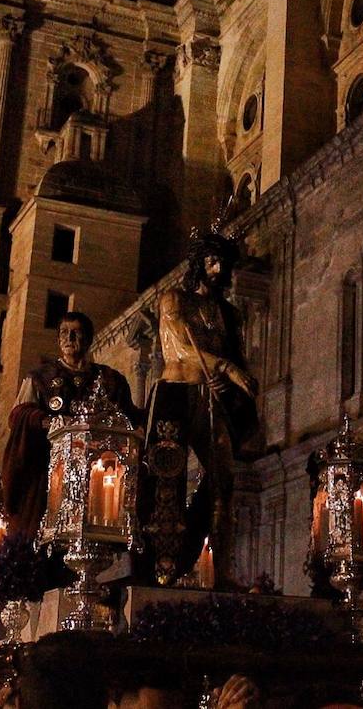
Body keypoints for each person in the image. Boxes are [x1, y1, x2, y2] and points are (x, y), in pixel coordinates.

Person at [139, 227, 258, 586]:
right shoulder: (174, 300)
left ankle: (219, 571)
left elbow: (230, 352)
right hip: (175, 393)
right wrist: (228, 368)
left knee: (224, 480)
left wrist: (227, 377)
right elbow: (179, 349)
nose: (217, 269)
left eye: (222, 262)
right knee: (164, 479)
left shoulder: (225, 313)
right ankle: (157, 568)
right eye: (211, 261)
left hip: (212, 397)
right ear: (198, 263)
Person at [1, 311, 138, 536]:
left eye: (76, 333)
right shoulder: (40, 378)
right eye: (64, 333)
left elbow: (130, 419)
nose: (69, 338)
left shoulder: (111, 380)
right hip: (49, 471)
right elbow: (18, 414)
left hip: (97, 477)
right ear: (57, 339)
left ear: (89, 338)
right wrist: (49, 421)